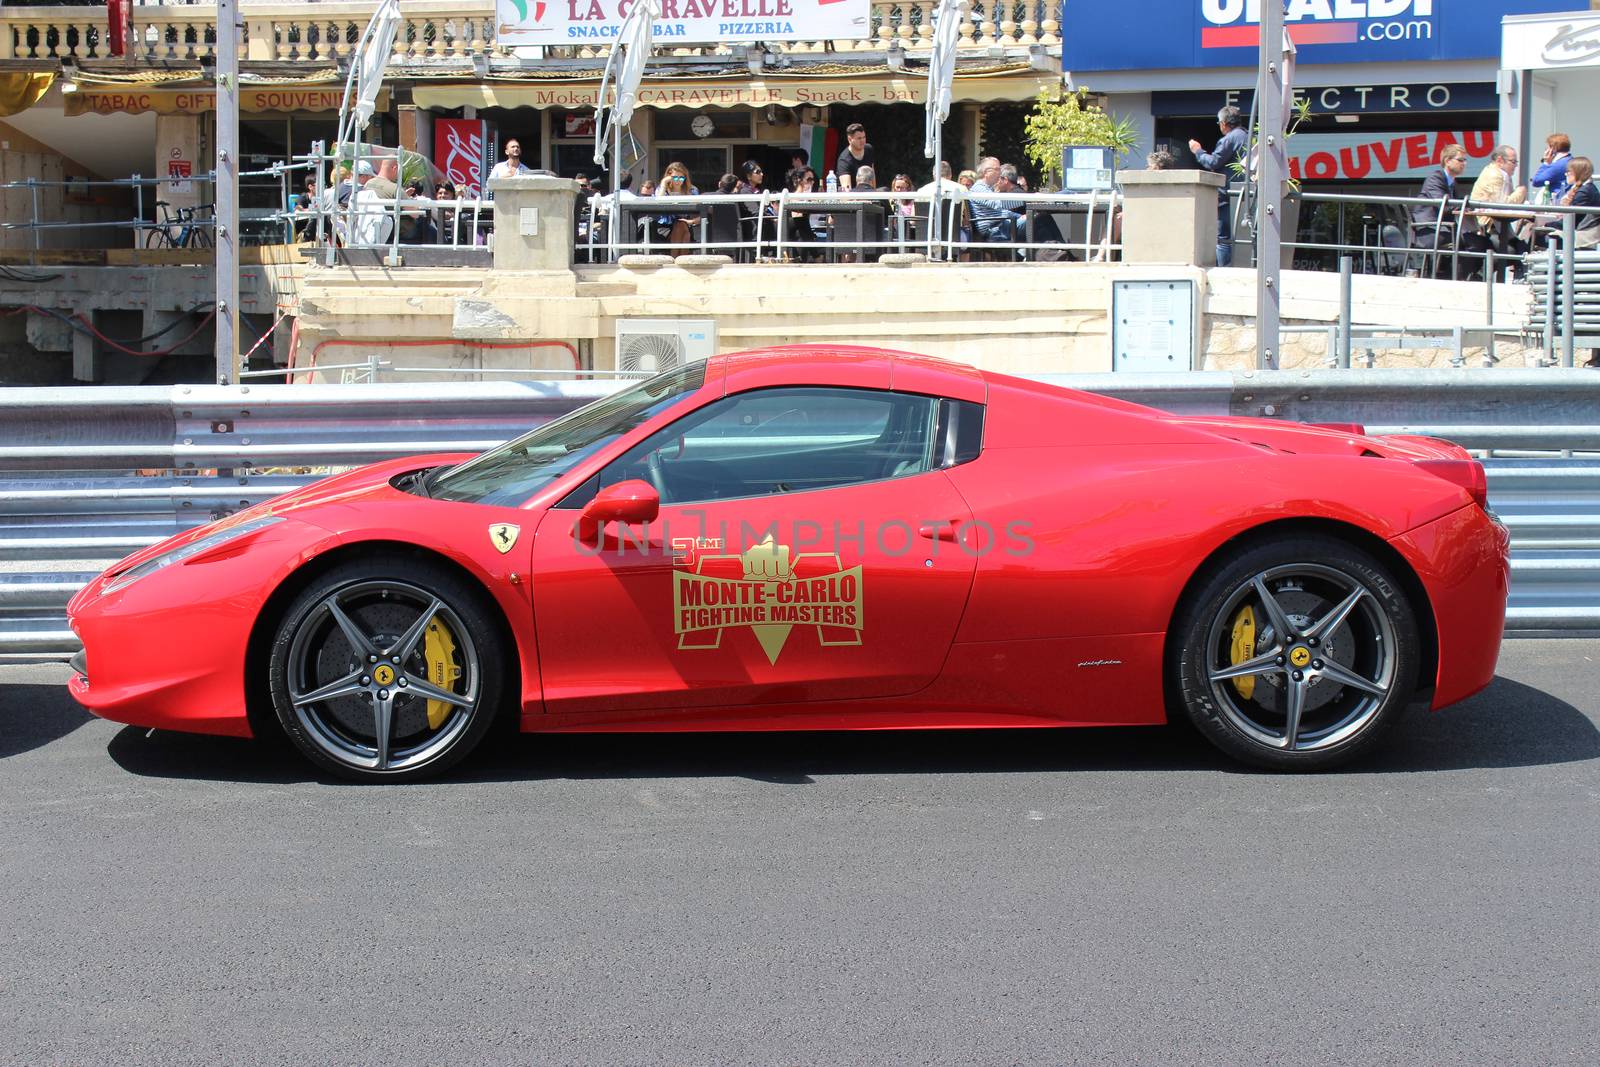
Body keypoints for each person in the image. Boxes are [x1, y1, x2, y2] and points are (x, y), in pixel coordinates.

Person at [1189, 105, 1249, 266]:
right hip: (1245, 194)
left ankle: (1224, 271)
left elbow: (1213, 162)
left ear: (1223, 123)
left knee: (1223, 240)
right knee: (1244, 238)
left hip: (1227, 195)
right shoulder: (1248, 136)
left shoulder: (1229, 139)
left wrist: (1198, 151)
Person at [1409, 143, 1467, 275]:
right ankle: (1453, 278)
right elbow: (1444, 205)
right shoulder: (1435, 178)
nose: (1464, 164)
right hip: (1427, 229)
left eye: (1465, 160)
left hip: (1442, 227)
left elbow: (1455, 205)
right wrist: (1463, 206)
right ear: (1447, 161)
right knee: (1464, 241)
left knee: (1472, 240)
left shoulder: (1453, 183)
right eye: (1460, 160)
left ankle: (1455, 277)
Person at [1467, 144, 1528, 261]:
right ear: (1500, 160)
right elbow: (1503, 204)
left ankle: (1521, 277)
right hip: (1488, 229)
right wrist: (1521, 192)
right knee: (1517, 250)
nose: (1515, 166)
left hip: (1499, 226)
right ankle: (1519, 277)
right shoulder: (1494, 175)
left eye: (1516, 162)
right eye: (1513, 162)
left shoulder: (1503, 175)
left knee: (1522, 247)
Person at [968, 156, 1024, 246]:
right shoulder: (979, 188)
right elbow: (999, 204)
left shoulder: (988, 188)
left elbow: (1000, 211)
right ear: (986, 172)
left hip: (1000, 225)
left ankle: (1034, 254)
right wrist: (1026, 200)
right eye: (997, 169)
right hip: (994, 230)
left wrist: (1019, 216)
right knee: (1035, 221)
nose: (1000, 173)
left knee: (1037, 220)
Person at [652, 161, 700, 255]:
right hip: (665, 227)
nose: (678, 180)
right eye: (675, 177)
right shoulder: (662, 189)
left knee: (681, 225)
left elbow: (701, 211)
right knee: (681, 227)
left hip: (687, 224)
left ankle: (674, 258)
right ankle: (682, 260)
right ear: (669, 177)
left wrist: (692, 221)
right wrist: (664, 183)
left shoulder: (692, 190)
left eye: (681, 177)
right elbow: (658, 203)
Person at [1532, 133, 1573, 204]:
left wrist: (1546, 163)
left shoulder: (1558, 165)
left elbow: (1536, 181)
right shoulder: (1570, 160)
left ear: (1552, 149)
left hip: (1556, 203)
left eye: (1547, 148)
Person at [834, 123, 874, 190]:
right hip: (853, 196)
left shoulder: (869, 149)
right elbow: (847, 190)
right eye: (859, 138)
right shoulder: (844, 160)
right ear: (849, 139)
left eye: (864, 137)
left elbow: (872, 175)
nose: (863, 141)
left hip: (868, 193)